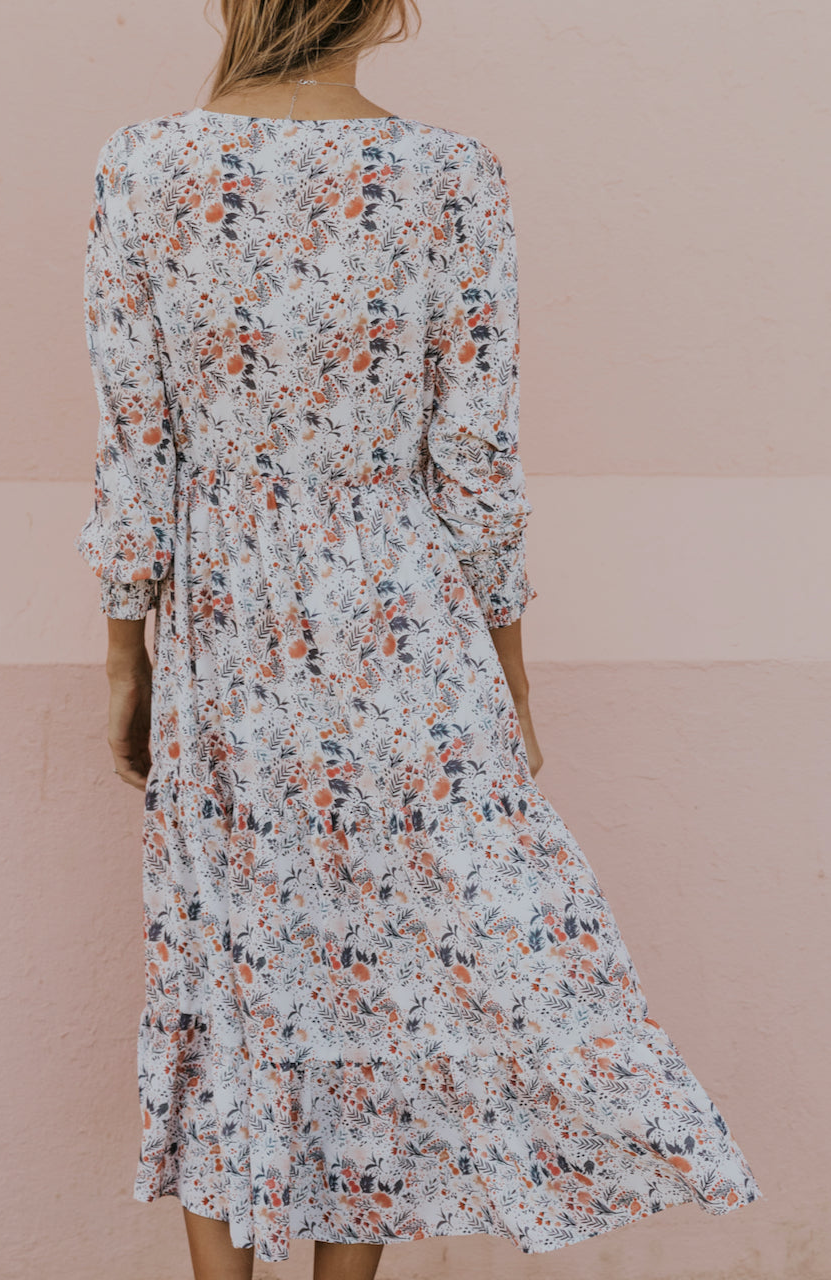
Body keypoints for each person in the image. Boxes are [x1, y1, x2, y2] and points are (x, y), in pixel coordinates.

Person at [75, 2, 763, 1276]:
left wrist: (129, 660)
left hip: (225, 631)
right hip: (405, 627)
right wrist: (504, 684)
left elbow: (135, 448)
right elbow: (476, 464)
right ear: (384, 7)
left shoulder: (145, 162)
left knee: (227, 964)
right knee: (378, 969)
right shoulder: (448, 174)